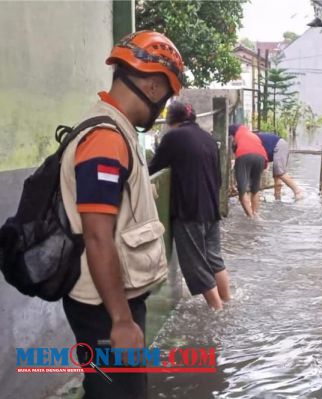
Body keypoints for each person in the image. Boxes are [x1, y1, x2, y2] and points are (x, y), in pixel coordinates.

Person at [59, 31, 184, 399]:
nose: (162, 107)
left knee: (106, 388)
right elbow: (98, 236)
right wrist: (121, 320)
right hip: (104, 307)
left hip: (109, 301)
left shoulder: (115, 130)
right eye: (166, 95)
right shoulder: (106, 140)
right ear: (152, 84)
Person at [149, 102, 231, 310]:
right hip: (211, 210)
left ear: (170, 120)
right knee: (214, 258)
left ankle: (217, 309)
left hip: (189, 211)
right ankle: (227, 301)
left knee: (195, 264)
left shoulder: (173, 138)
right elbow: (219, 178)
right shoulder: (209, 139)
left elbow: (152, 168)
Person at [228, 124, 268, 218]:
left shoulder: (235, 133)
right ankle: (256, 215)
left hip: (244, 155)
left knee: (242, 190)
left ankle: (251, 218)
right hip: (261, 157)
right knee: (255, 189)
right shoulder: (252, 135)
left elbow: (232, 146)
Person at [257, 132, 302, 200]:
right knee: (276, 175)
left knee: (280, 173)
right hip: (277, 146)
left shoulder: (250, 141)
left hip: (278, 145)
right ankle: (277, 197)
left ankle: (298, 191)